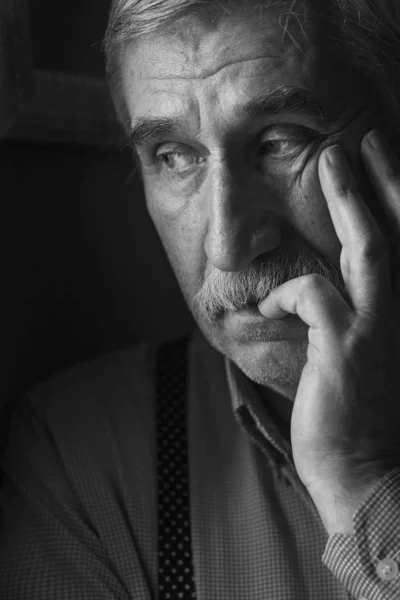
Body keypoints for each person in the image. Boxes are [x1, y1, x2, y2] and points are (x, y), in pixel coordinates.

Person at [1, 0, 400, 598]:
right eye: (173, 156)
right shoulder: (80, 461)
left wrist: (362, 482)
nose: (228, 244)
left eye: (279, 142)